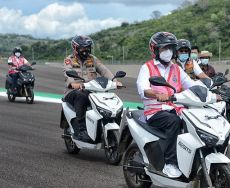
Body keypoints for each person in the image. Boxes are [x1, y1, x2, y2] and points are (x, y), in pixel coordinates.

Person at [137, 32, 218, 178]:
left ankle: (192, 159)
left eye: (170, 48)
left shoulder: (176, 68)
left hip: (175, 108)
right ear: (155, 50)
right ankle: (170, 163)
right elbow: (143, 89)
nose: (168, 51)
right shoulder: (147, 68)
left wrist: (212, 95)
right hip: (155, 111)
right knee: (174, 122)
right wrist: (157, 94)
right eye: (164, 48)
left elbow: (191, 84)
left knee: (194, 120)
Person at [63, 35, 123, 142]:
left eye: (88, 47)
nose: (86, 50)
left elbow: (104, 70)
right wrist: (73, 83)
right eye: (83, 48)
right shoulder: (69, 60)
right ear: (75, 48)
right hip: (74, 91)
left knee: (109, 98)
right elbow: (68, 74)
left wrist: (114, 81)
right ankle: (81, 130)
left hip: (93, 90)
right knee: (81, 95)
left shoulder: (93, 59)